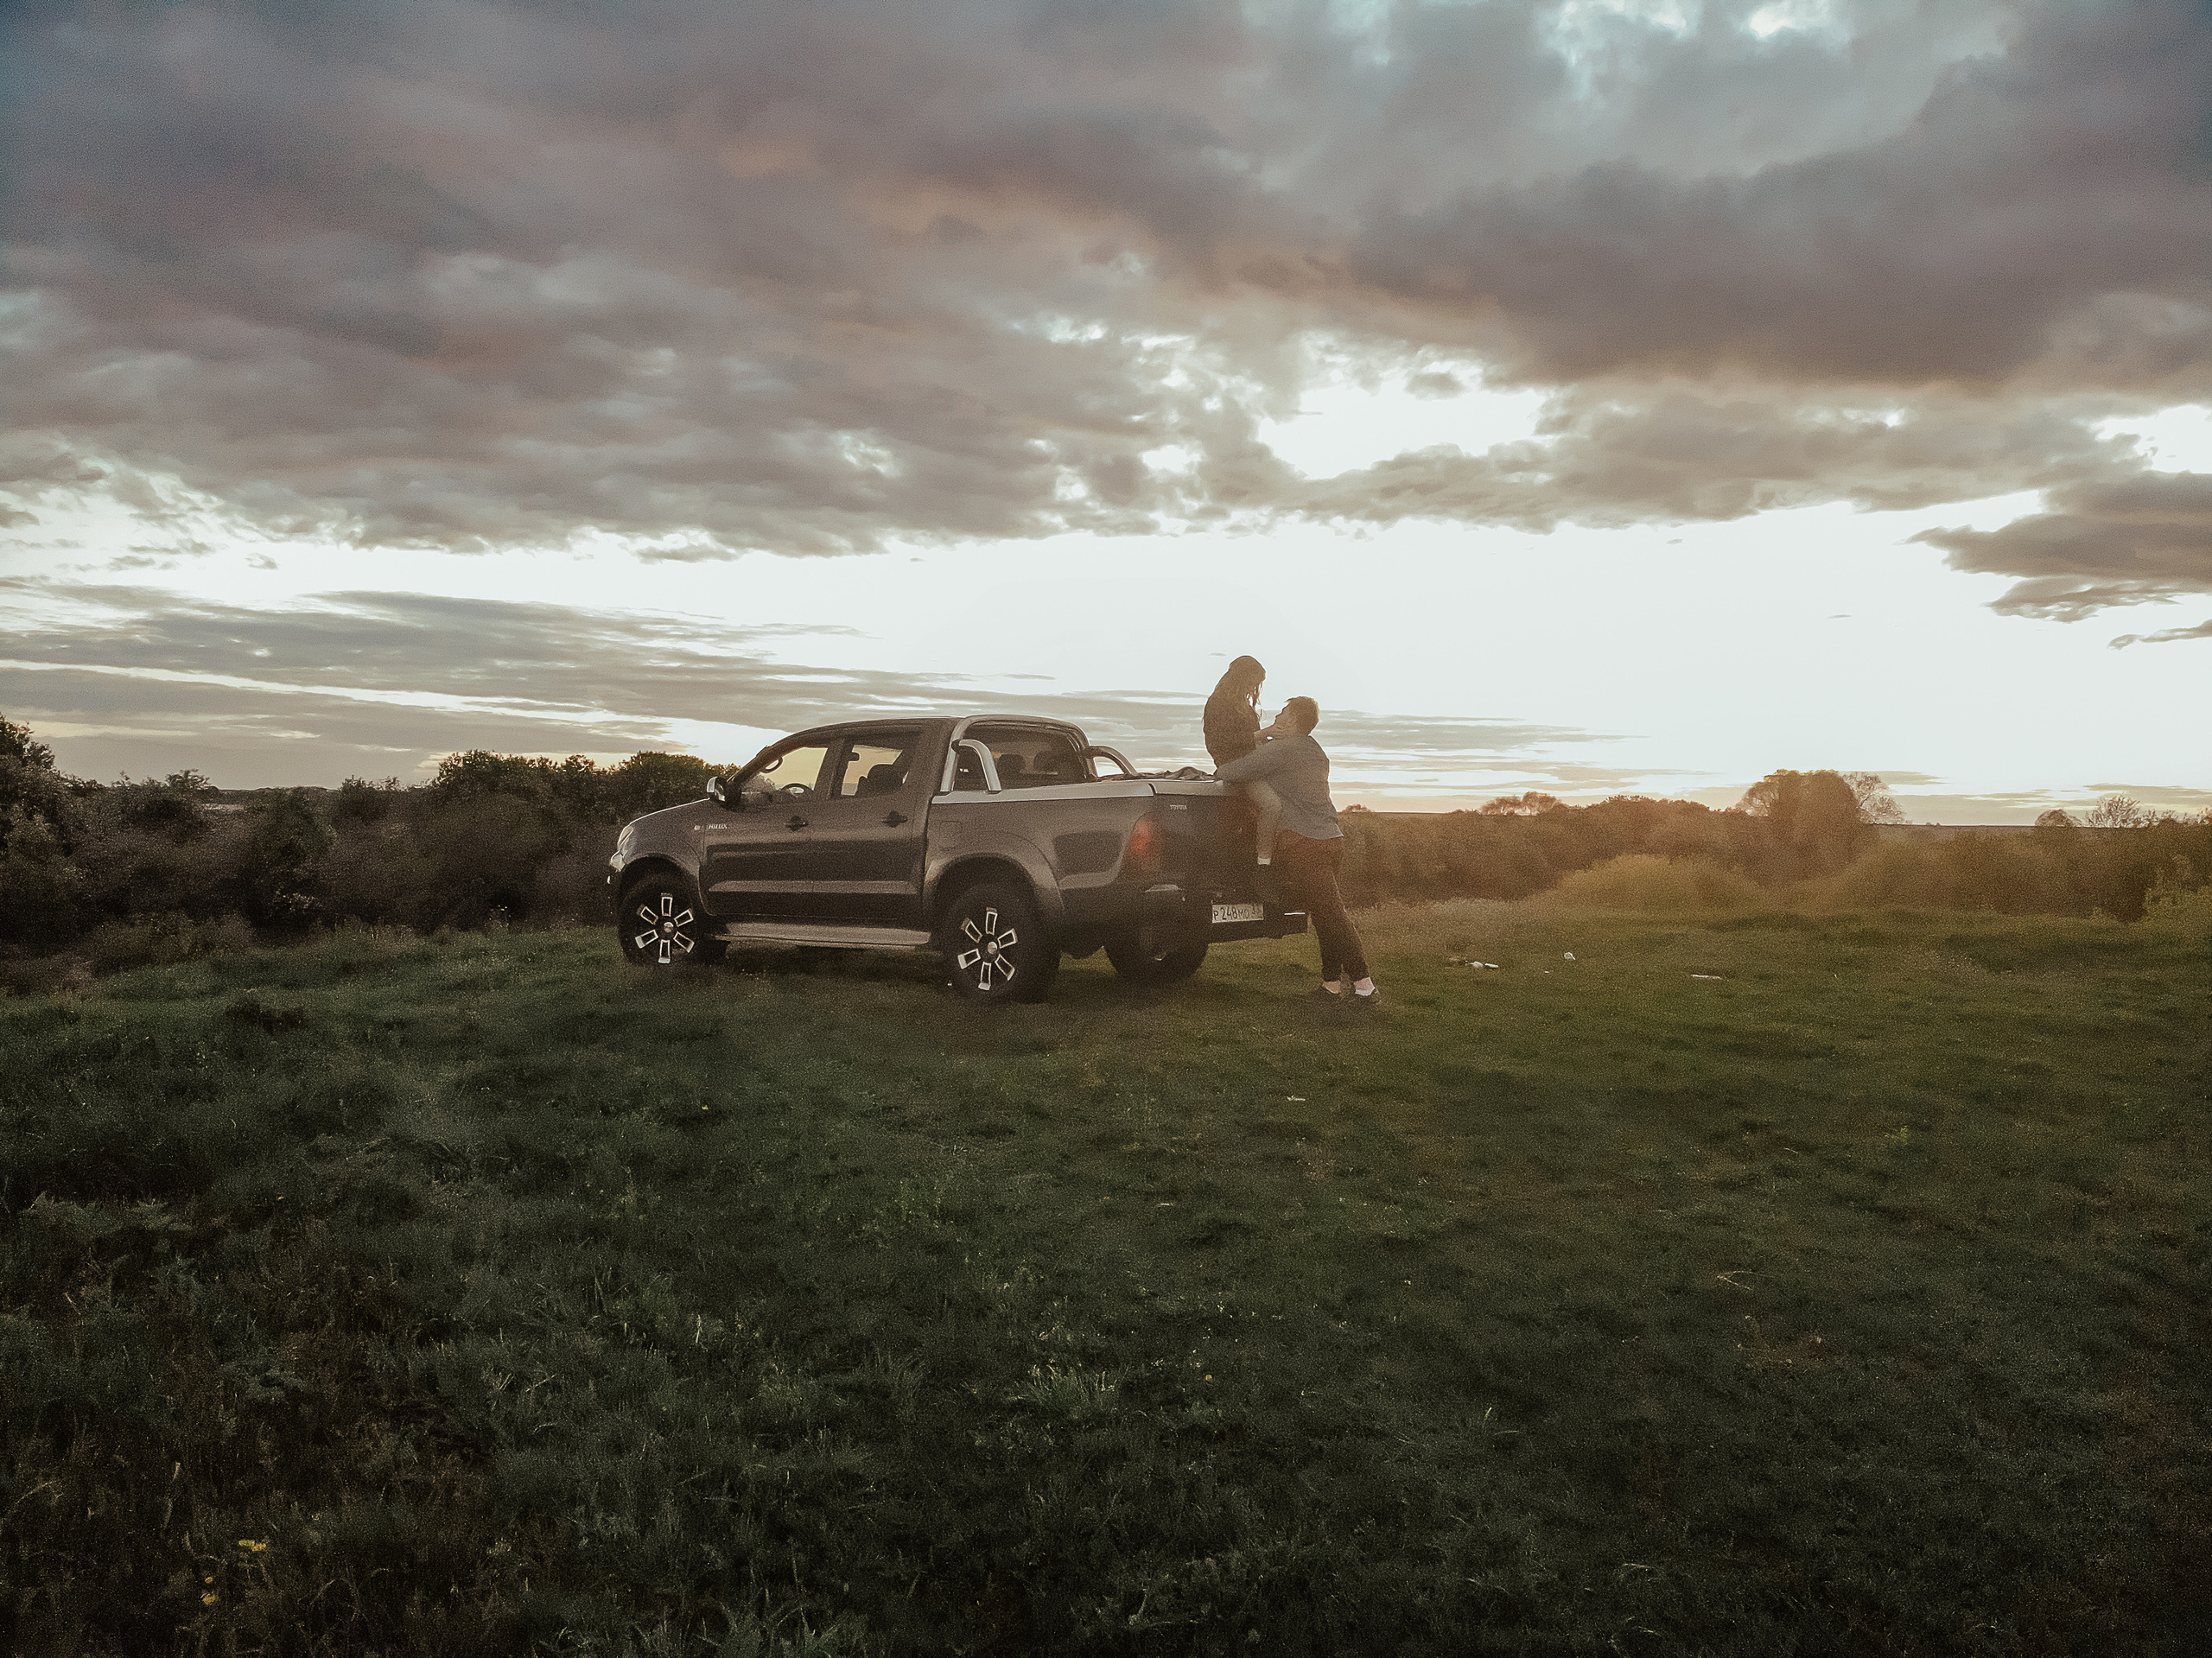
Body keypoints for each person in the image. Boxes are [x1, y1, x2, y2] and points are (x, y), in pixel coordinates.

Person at [1214, 696, 1379, 1011]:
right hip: (1331, 838)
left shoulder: (1283, 749)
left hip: (1306, 844)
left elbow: (1231, 771)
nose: (1277, 715)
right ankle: (1331, 985)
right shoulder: (1314, 749)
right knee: (1324, 915)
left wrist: (1259, 738)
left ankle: (1365, 987)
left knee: (1332, 915)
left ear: (1291, 722)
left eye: (1283, 713)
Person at [1203, 656, 1283, 884]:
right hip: (1233, 766)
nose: (1254, 688)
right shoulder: (1217, 703)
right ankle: (1264, 867)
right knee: (1272, 805)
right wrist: (1259, 735)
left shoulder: (1244, 706)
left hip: (1253, 764)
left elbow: (1250, 742)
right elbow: (1219, 743)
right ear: (1242, 677)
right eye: (1252, 682)